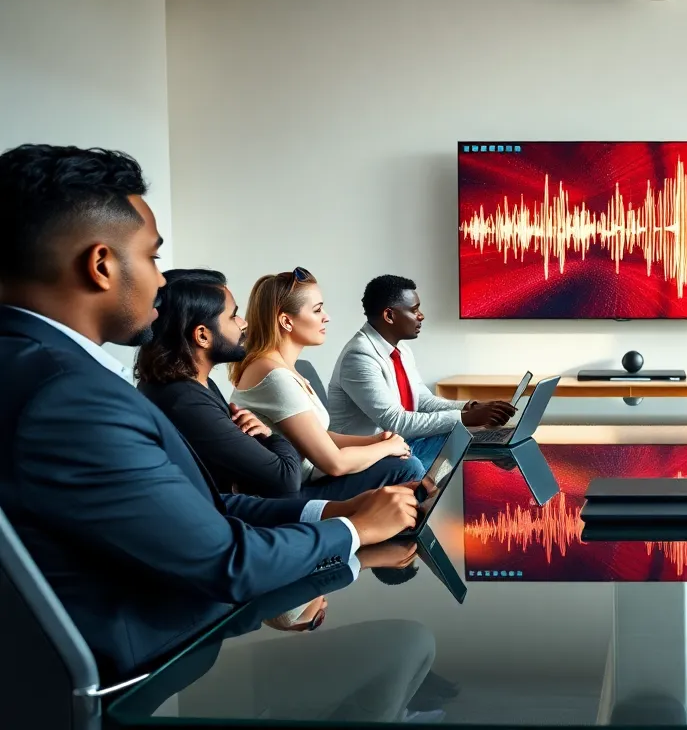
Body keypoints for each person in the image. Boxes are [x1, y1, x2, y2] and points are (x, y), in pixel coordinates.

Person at [0, 144, 419, 680]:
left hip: (183, 615)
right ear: (101, 265)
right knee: (408, 640)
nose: (159, 280)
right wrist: (355, 531)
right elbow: (227, 562)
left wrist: (335, 514)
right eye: (152, 257)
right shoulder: (70, 397)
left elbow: (202, 510)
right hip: (159, 664)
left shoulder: (39, 368)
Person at [230, 270, 427, 500]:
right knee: (407, 467)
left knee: (403, 459)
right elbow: (334, 463)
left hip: (313, 477)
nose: (326, 317)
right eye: (317, 310)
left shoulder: (284, 368)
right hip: (296, 493)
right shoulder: (274, 376)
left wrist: (375, 441)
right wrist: (385, 448)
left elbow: (320, 436)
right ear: (286, 321)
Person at [139, 269, 308, 496]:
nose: (243, 323)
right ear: (202, 336)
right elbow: (285, 480)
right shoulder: (186, 402)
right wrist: (272, 437)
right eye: (232, 316)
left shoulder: (195, 383)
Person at [327, 275, 514, 470]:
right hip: (370, 457)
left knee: (496, 441)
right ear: (389, 316)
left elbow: (423, 401)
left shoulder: (401, 351)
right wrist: (466, 418)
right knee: (468, 440)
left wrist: (470, 407)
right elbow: (396, 423)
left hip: (403, 446)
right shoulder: (359, 356)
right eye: (414, 310)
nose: (421, 316)